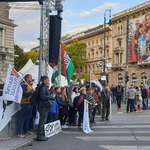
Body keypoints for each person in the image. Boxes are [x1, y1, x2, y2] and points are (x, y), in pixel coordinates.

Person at [36, 76, 55, 141]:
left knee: (43, 121)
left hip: (44, 106)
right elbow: (42, 96)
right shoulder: (43, 87)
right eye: (47, 80)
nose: (48, 80)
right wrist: (50, 97)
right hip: (43, 106)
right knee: (42, 121)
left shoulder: (44, 87)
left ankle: (41, 134)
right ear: (44, 81)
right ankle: (40, 135)